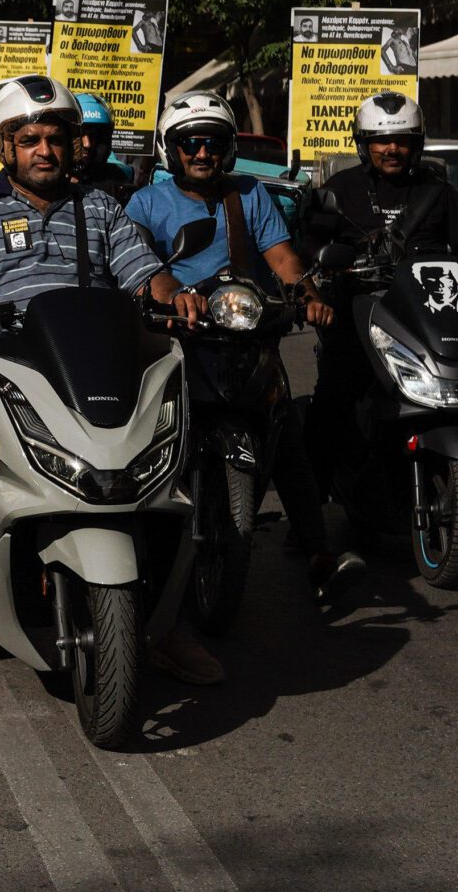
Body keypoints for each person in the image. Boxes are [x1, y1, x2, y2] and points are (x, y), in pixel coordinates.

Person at [0, 77, 207, 679]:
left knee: (165, 480)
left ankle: (166, 623)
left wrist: (173, 292)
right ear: (5, 146)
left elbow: (141, 271)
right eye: (29, 139)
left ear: (73, 145)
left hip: (95, 367)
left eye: (56, 138)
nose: (44, 150)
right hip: (5, 367)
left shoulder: (101, 208)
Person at [126, 91, 363, 595]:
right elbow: (136, 266)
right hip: (177, 337)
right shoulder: (146, 202)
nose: (201, 153)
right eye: (190, 143)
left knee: (285, 431)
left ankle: (318, 550)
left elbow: (282, 258)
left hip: (244, 328)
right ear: (174, 149)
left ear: (227, 147)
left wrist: (308, 294)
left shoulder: (249, 195)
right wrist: (163, 300)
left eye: (211, 142)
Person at [307, 91, 458, 573]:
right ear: (364, 144)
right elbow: (311, 249)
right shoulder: (340, 189)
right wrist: (319, 288)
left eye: (402, 142)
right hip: (359, 314)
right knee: (332, 402)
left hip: (429, 311)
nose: (392, 150)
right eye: (381, 142)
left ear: (418, 143)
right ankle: (308, 524)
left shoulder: (438, 192)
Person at [70, 91, 135, 201]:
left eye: (93, 136)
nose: (87, 144)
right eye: (80, 136)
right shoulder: (49, 178)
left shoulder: (116, 180)